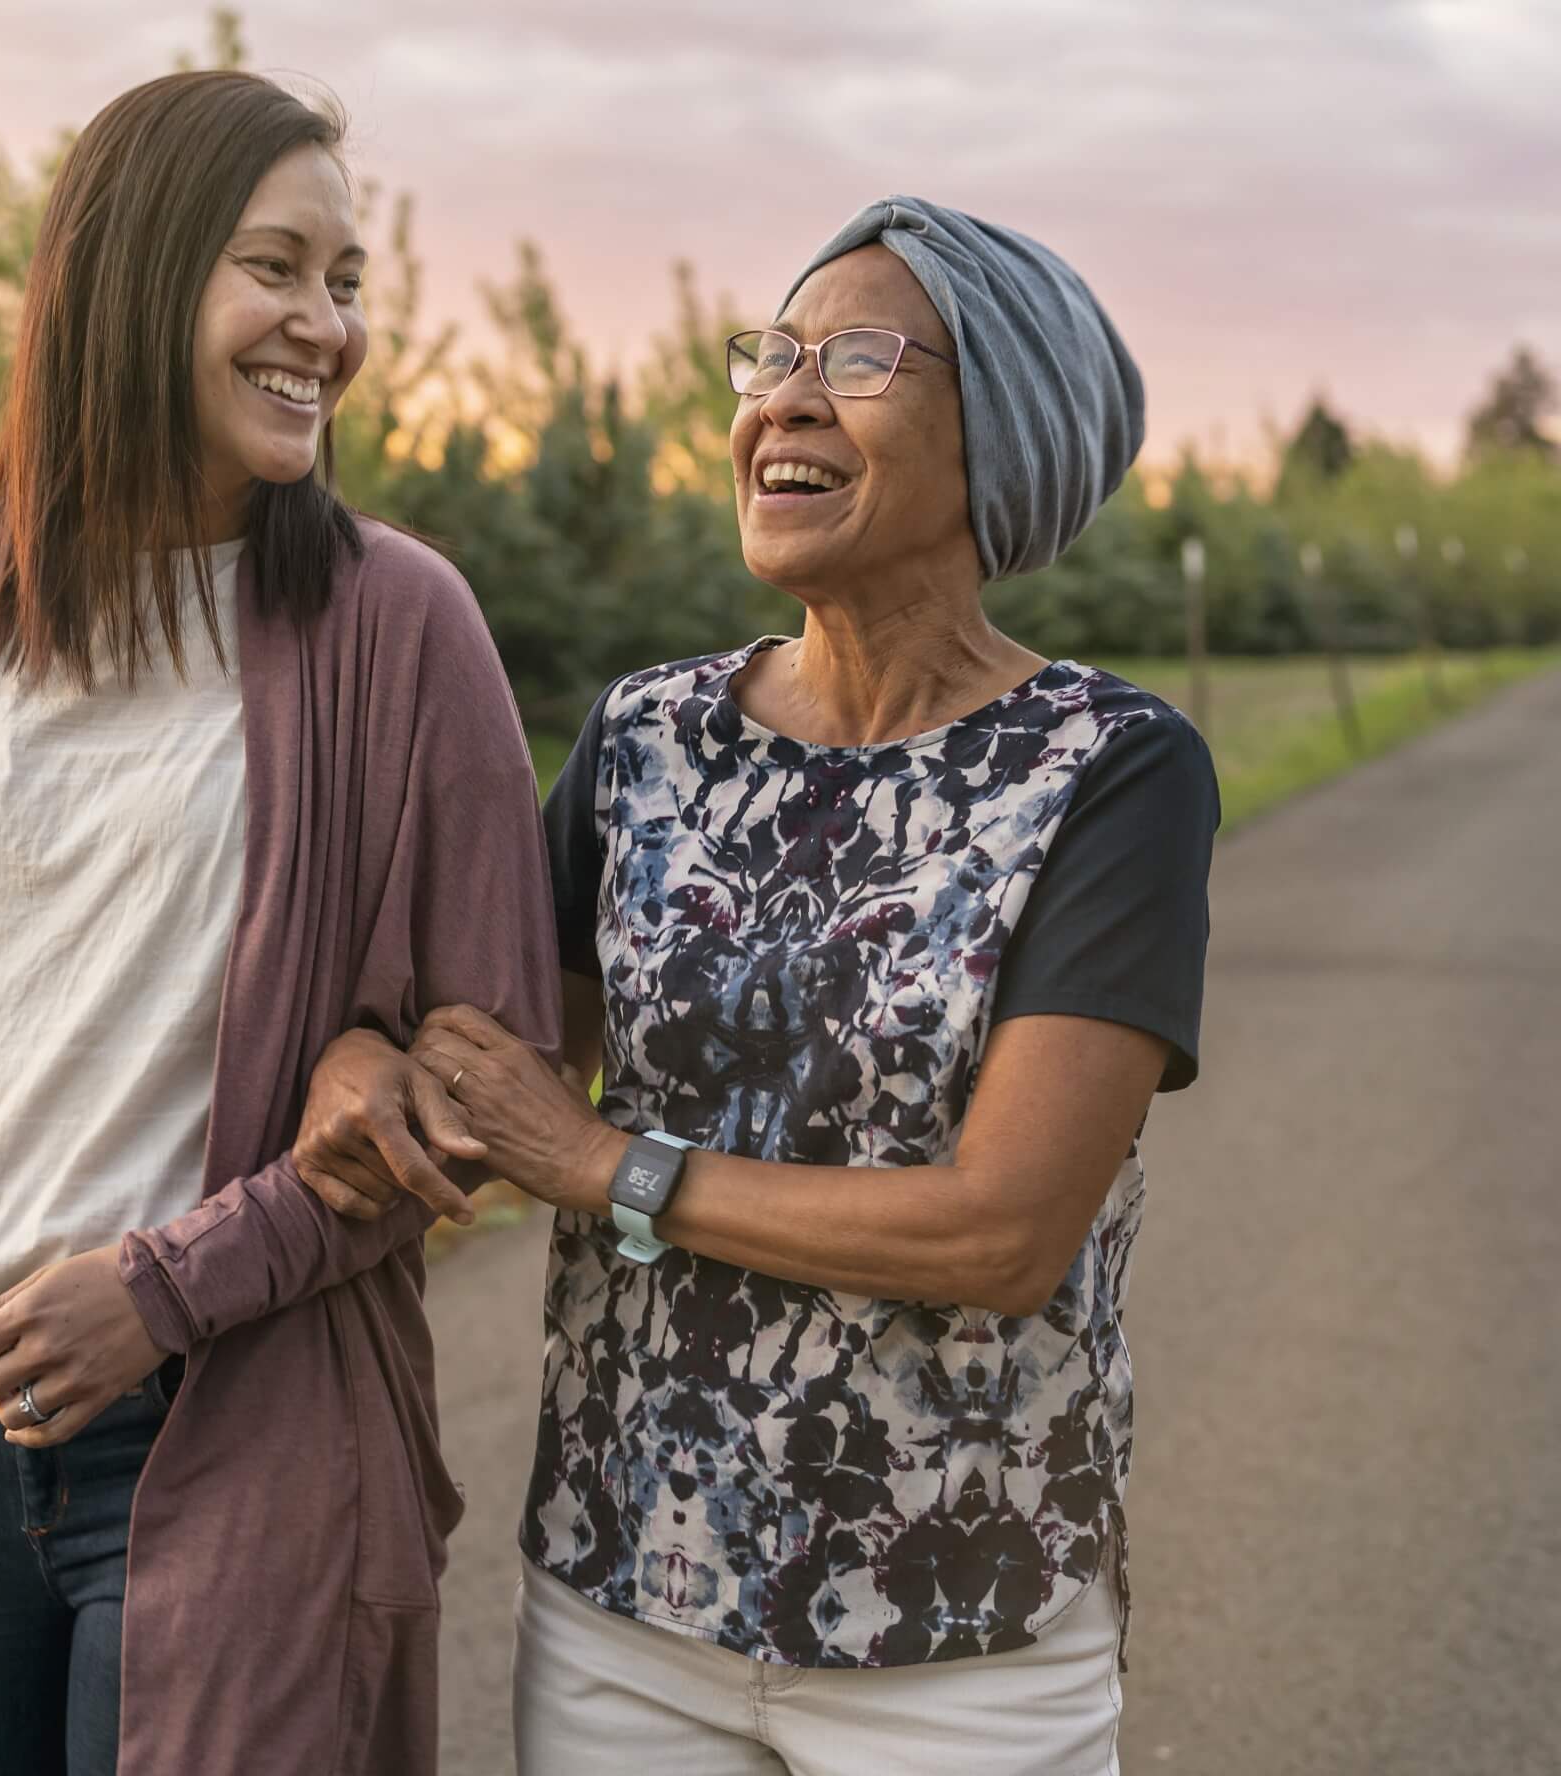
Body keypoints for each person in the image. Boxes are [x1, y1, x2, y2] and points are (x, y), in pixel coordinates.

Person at [0, 70, 559, 1776]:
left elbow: (485, 1076)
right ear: (131, 278)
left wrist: (167, 1286)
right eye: (274, 268)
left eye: (346, 280)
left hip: (232, 1418)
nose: (326, 325)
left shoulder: (398, 626)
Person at [294, 196, 1217, 1775]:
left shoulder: (1110, 774)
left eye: (857, 356)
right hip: (623, 1605)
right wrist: (363, 1066)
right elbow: (493, 1063)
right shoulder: (649, 738)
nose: (781, 395)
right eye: (771, 353)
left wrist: (606, 1166)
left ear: (999, 433)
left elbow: (1002, 1232)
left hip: (963, 1634)